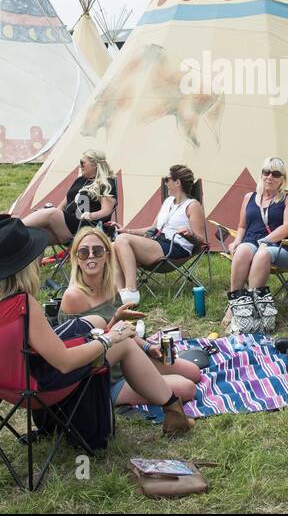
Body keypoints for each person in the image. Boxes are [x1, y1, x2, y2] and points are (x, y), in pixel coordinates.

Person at [0, 216, 194, 435]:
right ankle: (174, 412)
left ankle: (167, 404)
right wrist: (109, 338)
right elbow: (64, 362)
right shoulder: (23, 305)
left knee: (96, 322)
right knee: (123, 344)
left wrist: (108, 329)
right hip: (37, 386)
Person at [60, 226, 201, 409]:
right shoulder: (74, 297)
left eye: (98, 250)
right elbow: (81, 349)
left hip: (129, 359)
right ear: (76, 259)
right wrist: (115, 323)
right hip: (102, 375)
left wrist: (149, 347)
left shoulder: (110, 286)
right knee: (187, 388)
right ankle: (115, 396)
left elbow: (123, 331)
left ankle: (149, 380)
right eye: (84, 252)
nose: (91, 256)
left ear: (108, 255)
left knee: (193, 371)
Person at [221, 157, 288, 328]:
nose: (270, 177)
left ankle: (250, 307)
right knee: (241, 251)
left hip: (279, 246)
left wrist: (266, 241)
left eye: (275, 173)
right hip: (251, 240)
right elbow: (242, 225)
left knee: (262, 254)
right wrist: (236, 241)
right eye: (266, 172)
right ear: (261, 174)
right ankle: (235, 304)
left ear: (282, 179)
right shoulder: (250, 197)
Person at [111, 165, 207, 293]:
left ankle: (131, 291)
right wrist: (127, 231)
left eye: (167, 179)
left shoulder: (193, 206)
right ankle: (120, 293)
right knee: (114, 244)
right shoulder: (168, 201)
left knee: (122, 240)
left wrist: (190, 235)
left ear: (177, 182)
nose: (165, 183)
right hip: (158, 242)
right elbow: (154, 228)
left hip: (175, 248)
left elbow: (201, 240)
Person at [14, 149, 116, 246]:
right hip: (67, 224)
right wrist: (51, 215)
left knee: (52, 213)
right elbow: (65, 202)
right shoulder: (80, 180)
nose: (80, 166)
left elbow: (106, 211)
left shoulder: (106, 183)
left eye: (82, 163)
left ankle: (13, 228)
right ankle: (16, 239)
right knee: (37, 238)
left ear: (95, 165)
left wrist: (91, 215)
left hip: (85, 226)